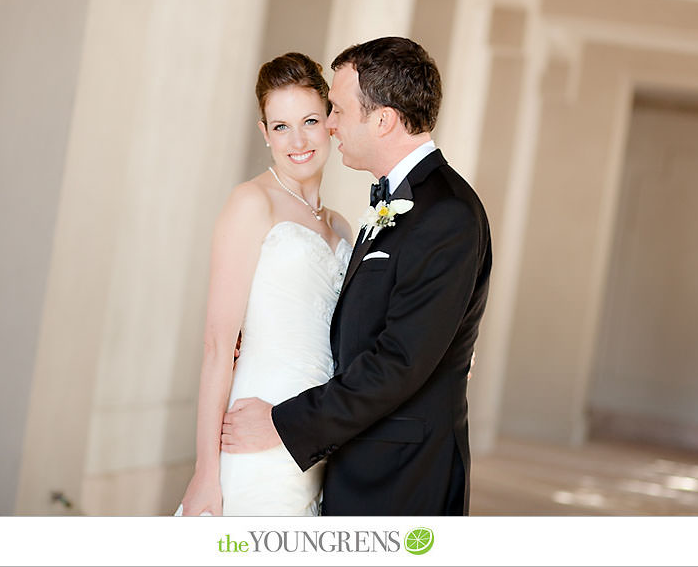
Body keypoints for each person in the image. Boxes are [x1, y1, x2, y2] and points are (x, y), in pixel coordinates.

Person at [220, 37, 492, 515]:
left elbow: (399, 362)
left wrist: (284, 424)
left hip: (402, 477)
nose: (328, 124)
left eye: (339, 111)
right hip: (356, 460)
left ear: (383, 119)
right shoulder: (396, 203)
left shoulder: (446, 212)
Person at [176, 52, 353, 516]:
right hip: (255, 432)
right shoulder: (252, 203)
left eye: (310, 120)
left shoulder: (343, 228)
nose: (297, 140)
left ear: (331, 121)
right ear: (265, 132)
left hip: (314, 439)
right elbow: (218, 346)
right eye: (280, 126)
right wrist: (205, 473)